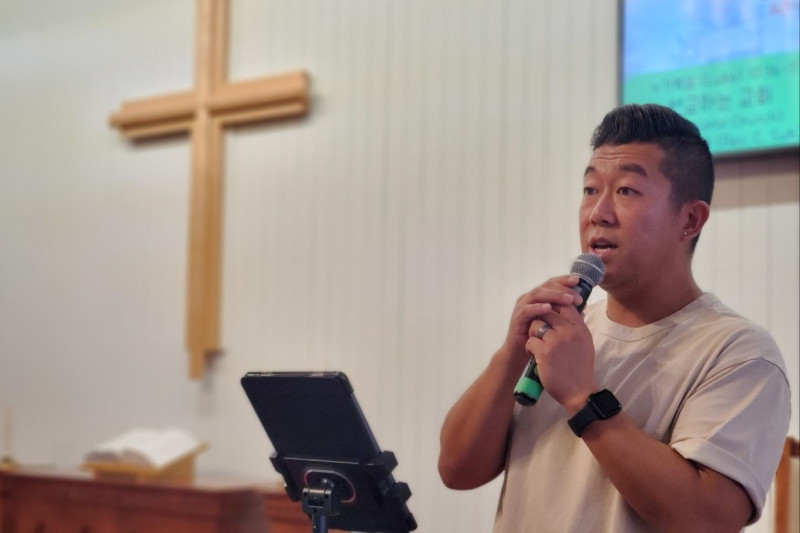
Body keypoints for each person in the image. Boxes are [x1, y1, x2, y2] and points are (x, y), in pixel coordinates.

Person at [438, 104, 791, 532]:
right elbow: (457, 470)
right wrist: (512, 351)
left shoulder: (738, 353)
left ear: (690, 219)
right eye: (590, 189)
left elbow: (707, 519)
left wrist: (582, 397)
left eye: (626, 190)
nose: (597, 213)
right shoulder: (562, 333)